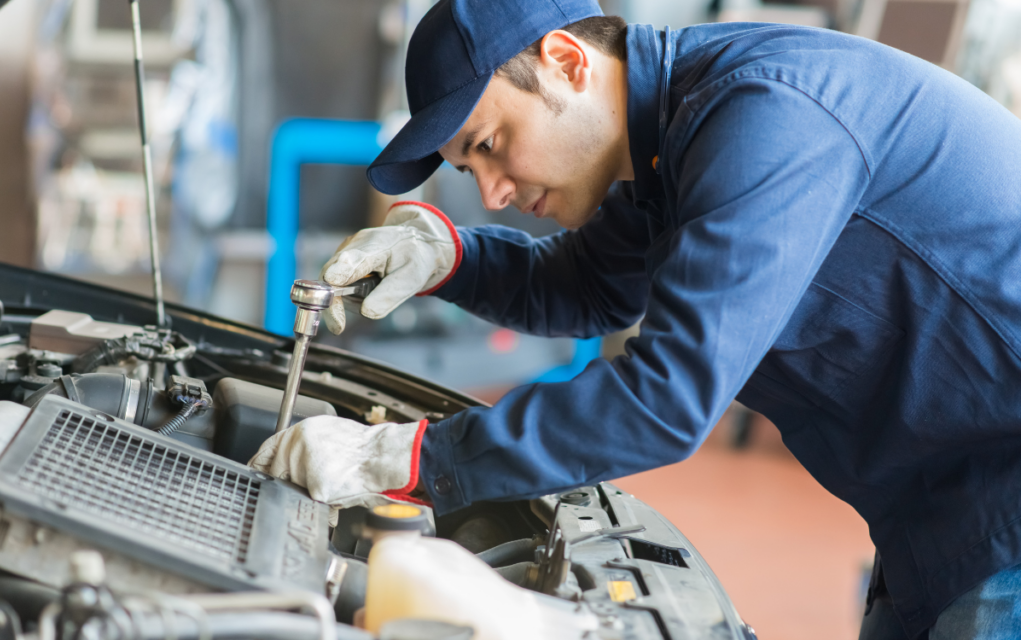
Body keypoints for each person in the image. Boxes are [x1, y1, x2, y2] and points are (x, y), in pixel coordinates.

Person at [248, 0, 1021, 637]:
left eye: (491, 145)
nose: (491, 192)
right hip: (932, 512)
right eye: (468, 168)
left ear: (568, 63)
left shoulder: (765, 115)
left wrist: (410, 459)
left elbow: (667, 396)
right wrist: (449, 256)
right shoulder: (666, 146)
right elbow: (588, 285)